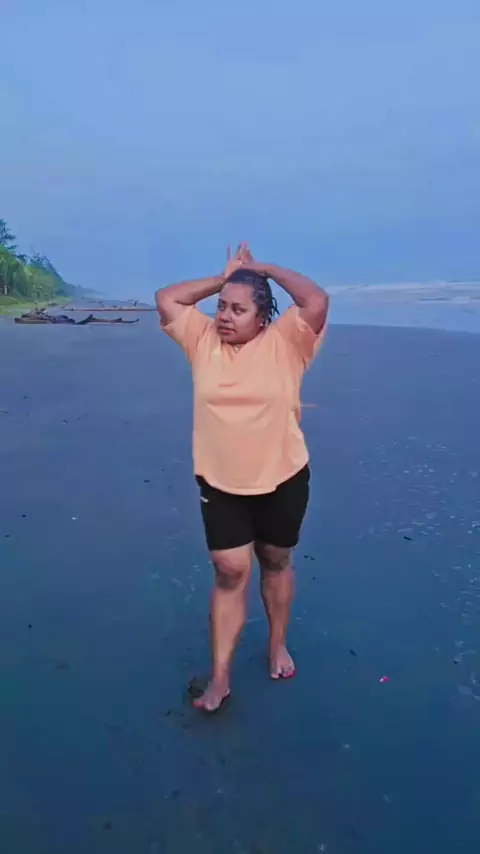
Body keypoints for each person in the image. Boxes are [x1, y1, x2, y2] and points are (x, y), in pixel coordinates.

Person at [155, 244, 329, 711]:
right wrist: (224, 278)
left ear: (263, 316)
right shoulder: (202, 339)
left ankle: (276, 644)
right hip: (220, 482)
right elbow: (167, 298)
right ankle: (220, 677)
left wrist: (263, 268)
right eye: (221, 307)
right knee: (230, 571)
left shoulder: (287, 341)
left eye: (238, 309)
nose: (225, 317)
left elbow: (315, 300)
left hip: (282, 477)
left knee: (275, 560)